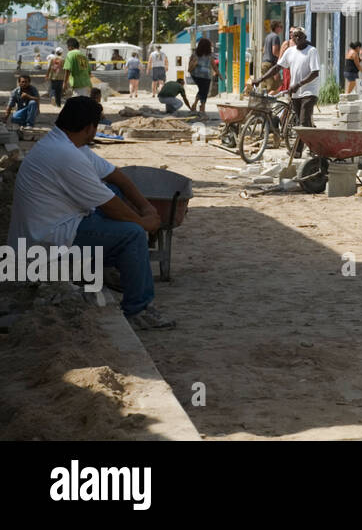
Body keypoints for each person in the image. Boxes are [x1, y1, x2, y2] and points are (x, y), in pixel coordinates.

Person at [7, 98, 175, 329]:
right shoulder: (66, 155)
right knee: (132, 234)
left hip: (57, 224)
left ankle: (112, 267)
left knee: (114, 190)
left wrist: (146, 207)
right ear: (89, 128)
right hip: (46, 241)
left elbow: (116, 176)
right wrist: (145, 224)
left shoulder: (66, 144)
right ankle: (139, 310)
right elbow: (110, 205)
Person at [250, 27, 319, 158]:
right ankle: (315, 145)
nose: (297, 38)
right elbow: (277, 67)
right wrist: (260, 79)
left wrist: (298, 84)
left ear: (305, 37)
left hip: (309, 91)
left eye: (300, 36)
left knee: (303, 122)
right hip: (295, 92)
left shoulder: (312, 51)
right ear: (291, 38)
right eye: (294, 36)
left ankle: (297, 151)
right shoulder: (290, 51)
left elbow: (315, 72)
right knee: (302, 122)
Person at [188, 37, 220, 116]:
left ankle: (196, 105)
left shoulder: (195, 54)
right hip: (206, 76)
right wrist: (219, 74)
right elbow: (214, 66)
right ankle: (202, 108)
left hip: (195, 76)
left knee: (202, 90)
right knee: (204, 91)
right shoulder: (209, 55)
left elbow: (190, 64)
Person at [261, 21, 283, 91]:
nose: (281, 29)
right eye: (280, 27)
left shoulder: (268, 36)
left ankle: (261, 100)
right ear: (276, 28)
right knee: (274, 85)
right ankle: (267, 100)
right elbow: (275, 51)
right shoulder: (275, 37)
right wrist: (282, 58)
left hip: (264, 63)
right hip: (270, 64)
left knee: (265, 85)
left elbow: (264, 50)